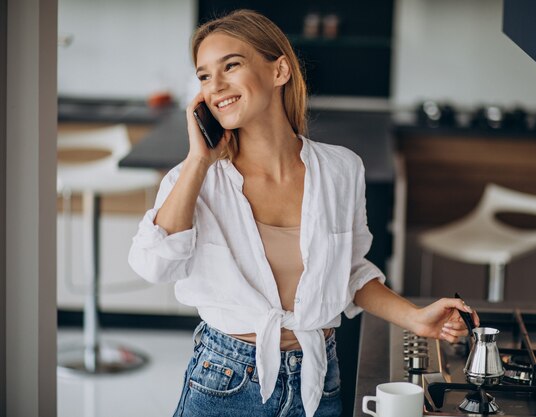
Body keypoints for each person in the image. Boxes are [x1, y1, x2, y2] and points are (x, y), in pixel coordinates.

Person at [128, 9, 479, 417]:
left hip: (319, 378)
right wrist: (197, 161)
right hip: (226, 379)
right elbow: (153, 266)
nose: (215, 86)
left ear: (279, 71)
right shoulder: (195, 179)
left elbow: (348, 272)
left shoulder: (341, 170)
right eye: (204, 75)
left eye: (231, 65)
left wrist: (416, 319)